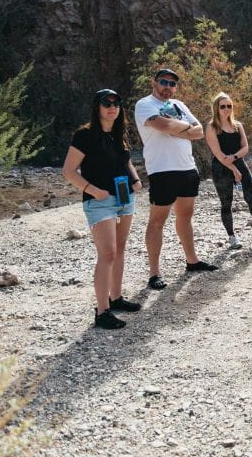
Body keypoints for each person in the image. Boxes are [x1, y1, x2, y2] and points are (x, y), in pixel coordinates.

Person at [62, 89, 143, 329]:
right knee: (107, 253)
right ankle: (102, 311)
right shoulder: (84, 135)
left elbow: (126, 160)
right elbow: (68, 171)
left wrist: (136, 180)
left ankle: (115, 298)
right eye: (106, 103)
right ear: (96, 107)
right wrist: (94, 190)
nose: (112, 107)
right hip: (99, 201)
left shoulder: (118, 133)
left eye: (116, 103)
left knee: (120, 249)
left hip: (125, 198)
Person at [134, 68, 217, 290]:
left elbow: (200, 131)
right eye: (164, 82)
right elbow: (163, 125)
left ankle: (192, 261)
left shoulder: (179, 105)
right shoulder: (145, 105)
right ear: (154, 82)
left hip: (187, 168)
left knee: (185, 215)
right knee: (157, 221)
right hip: (162, 170)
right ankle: (154, 273)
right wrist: (182, 129)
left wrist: (177, 129)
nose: (167, 87)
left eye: (172, 84)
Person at [204, 92, 252, 249]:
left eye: (229, 106)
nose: (226, 109)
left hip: (240, 163)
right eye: (223, 106)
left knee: (251, 198)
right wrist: (233, 169)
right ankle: (232, 237)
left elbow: (246, 148)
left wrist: (235, 157)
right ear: (216, 108)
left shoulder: (238, 125)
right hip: (220, 168)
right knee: (226, 203)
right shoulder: (211, 127)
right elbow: (218, 154)